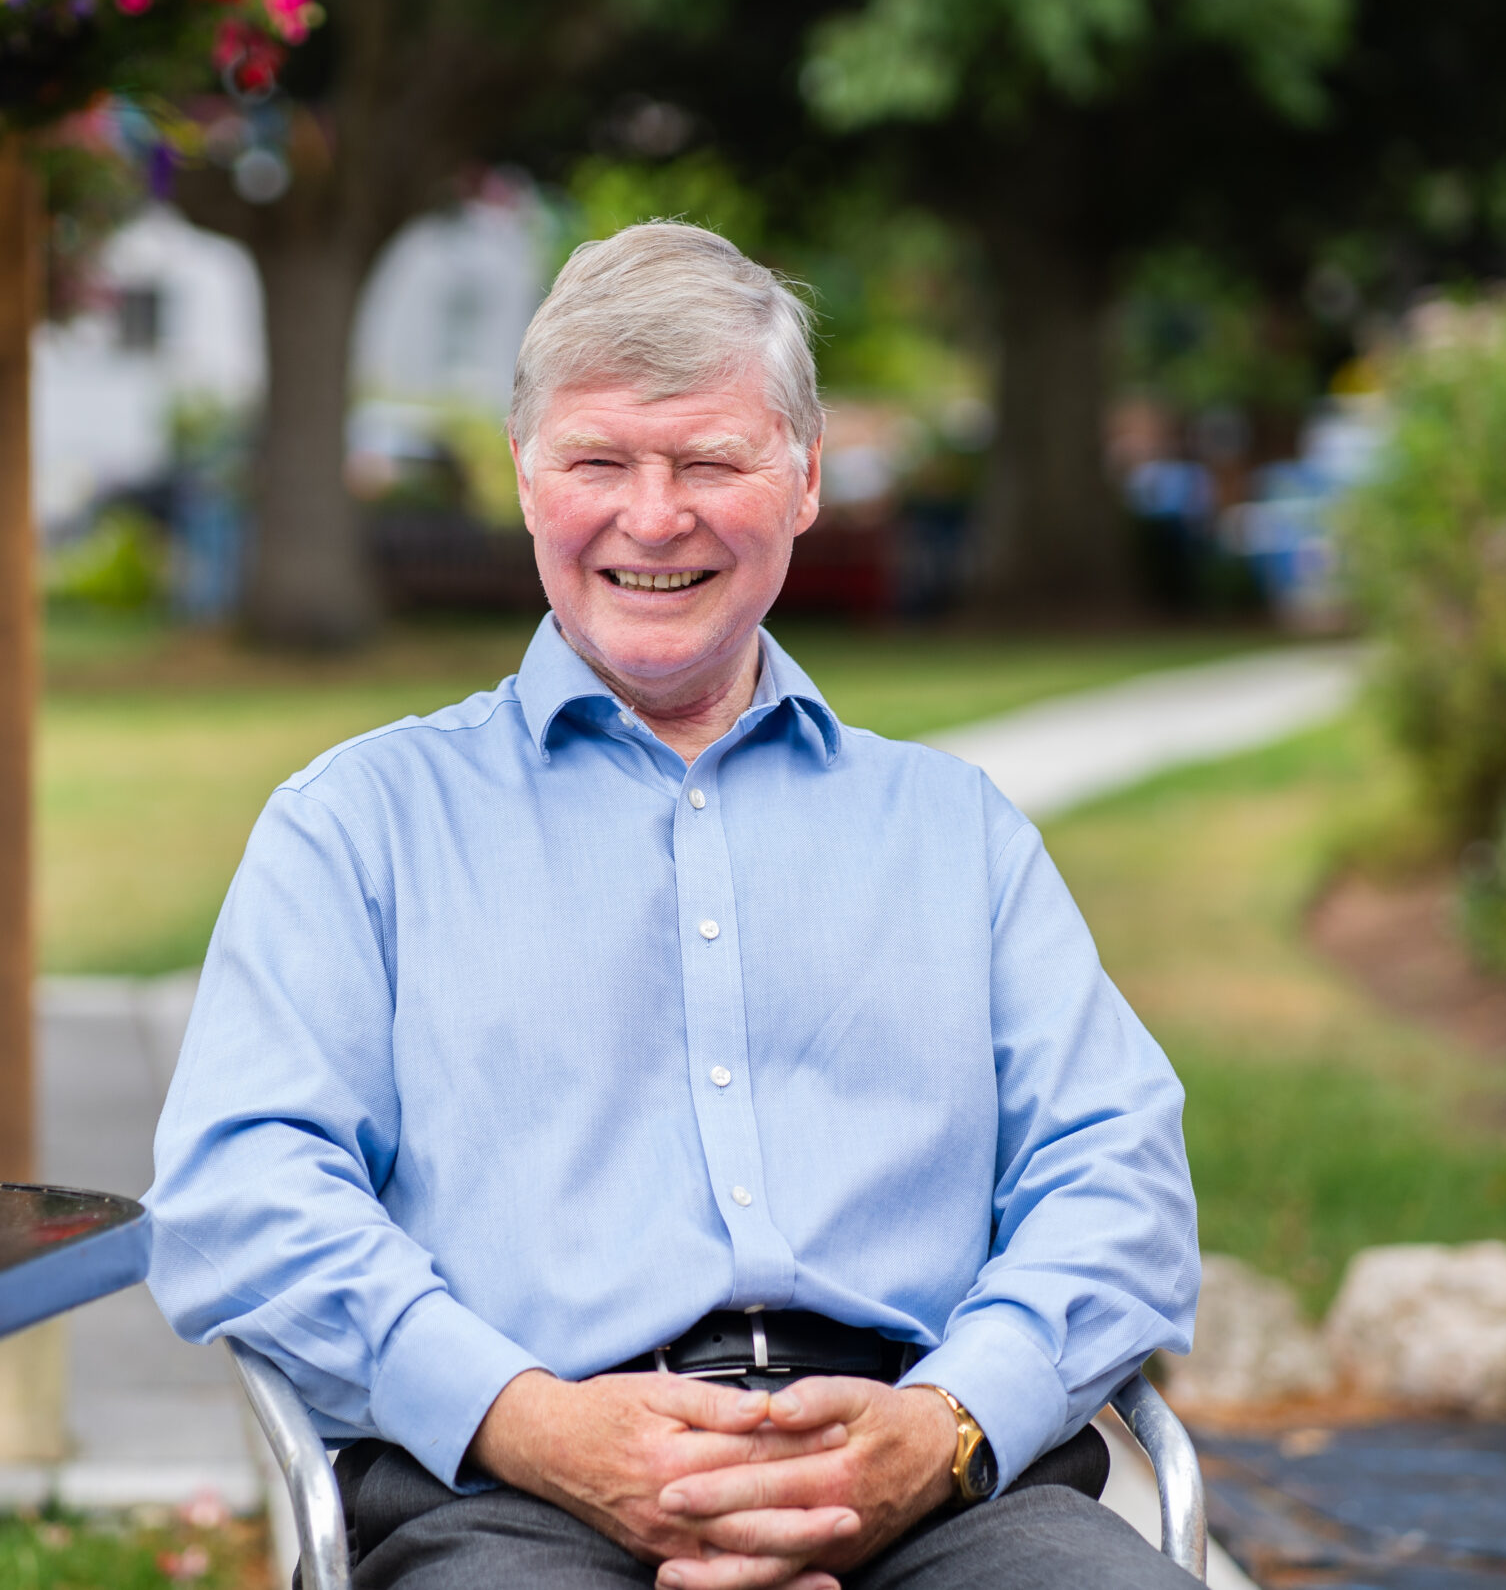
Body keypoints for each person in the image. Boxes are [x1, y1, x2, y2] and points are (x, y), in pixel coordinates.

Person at [146, 221, 1201, 1589]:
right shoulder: (357, 829)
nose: (653, 518)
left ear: (805, 479)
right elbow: (241, 1192)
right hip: (513, 1499)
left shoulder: (961, 837)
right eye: (599, 462)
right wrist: (526, 1419)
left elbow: (1119, 1177)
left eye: (709, 461)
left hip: (935, 1491)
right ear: (526, 477)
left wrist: (947, 1423)